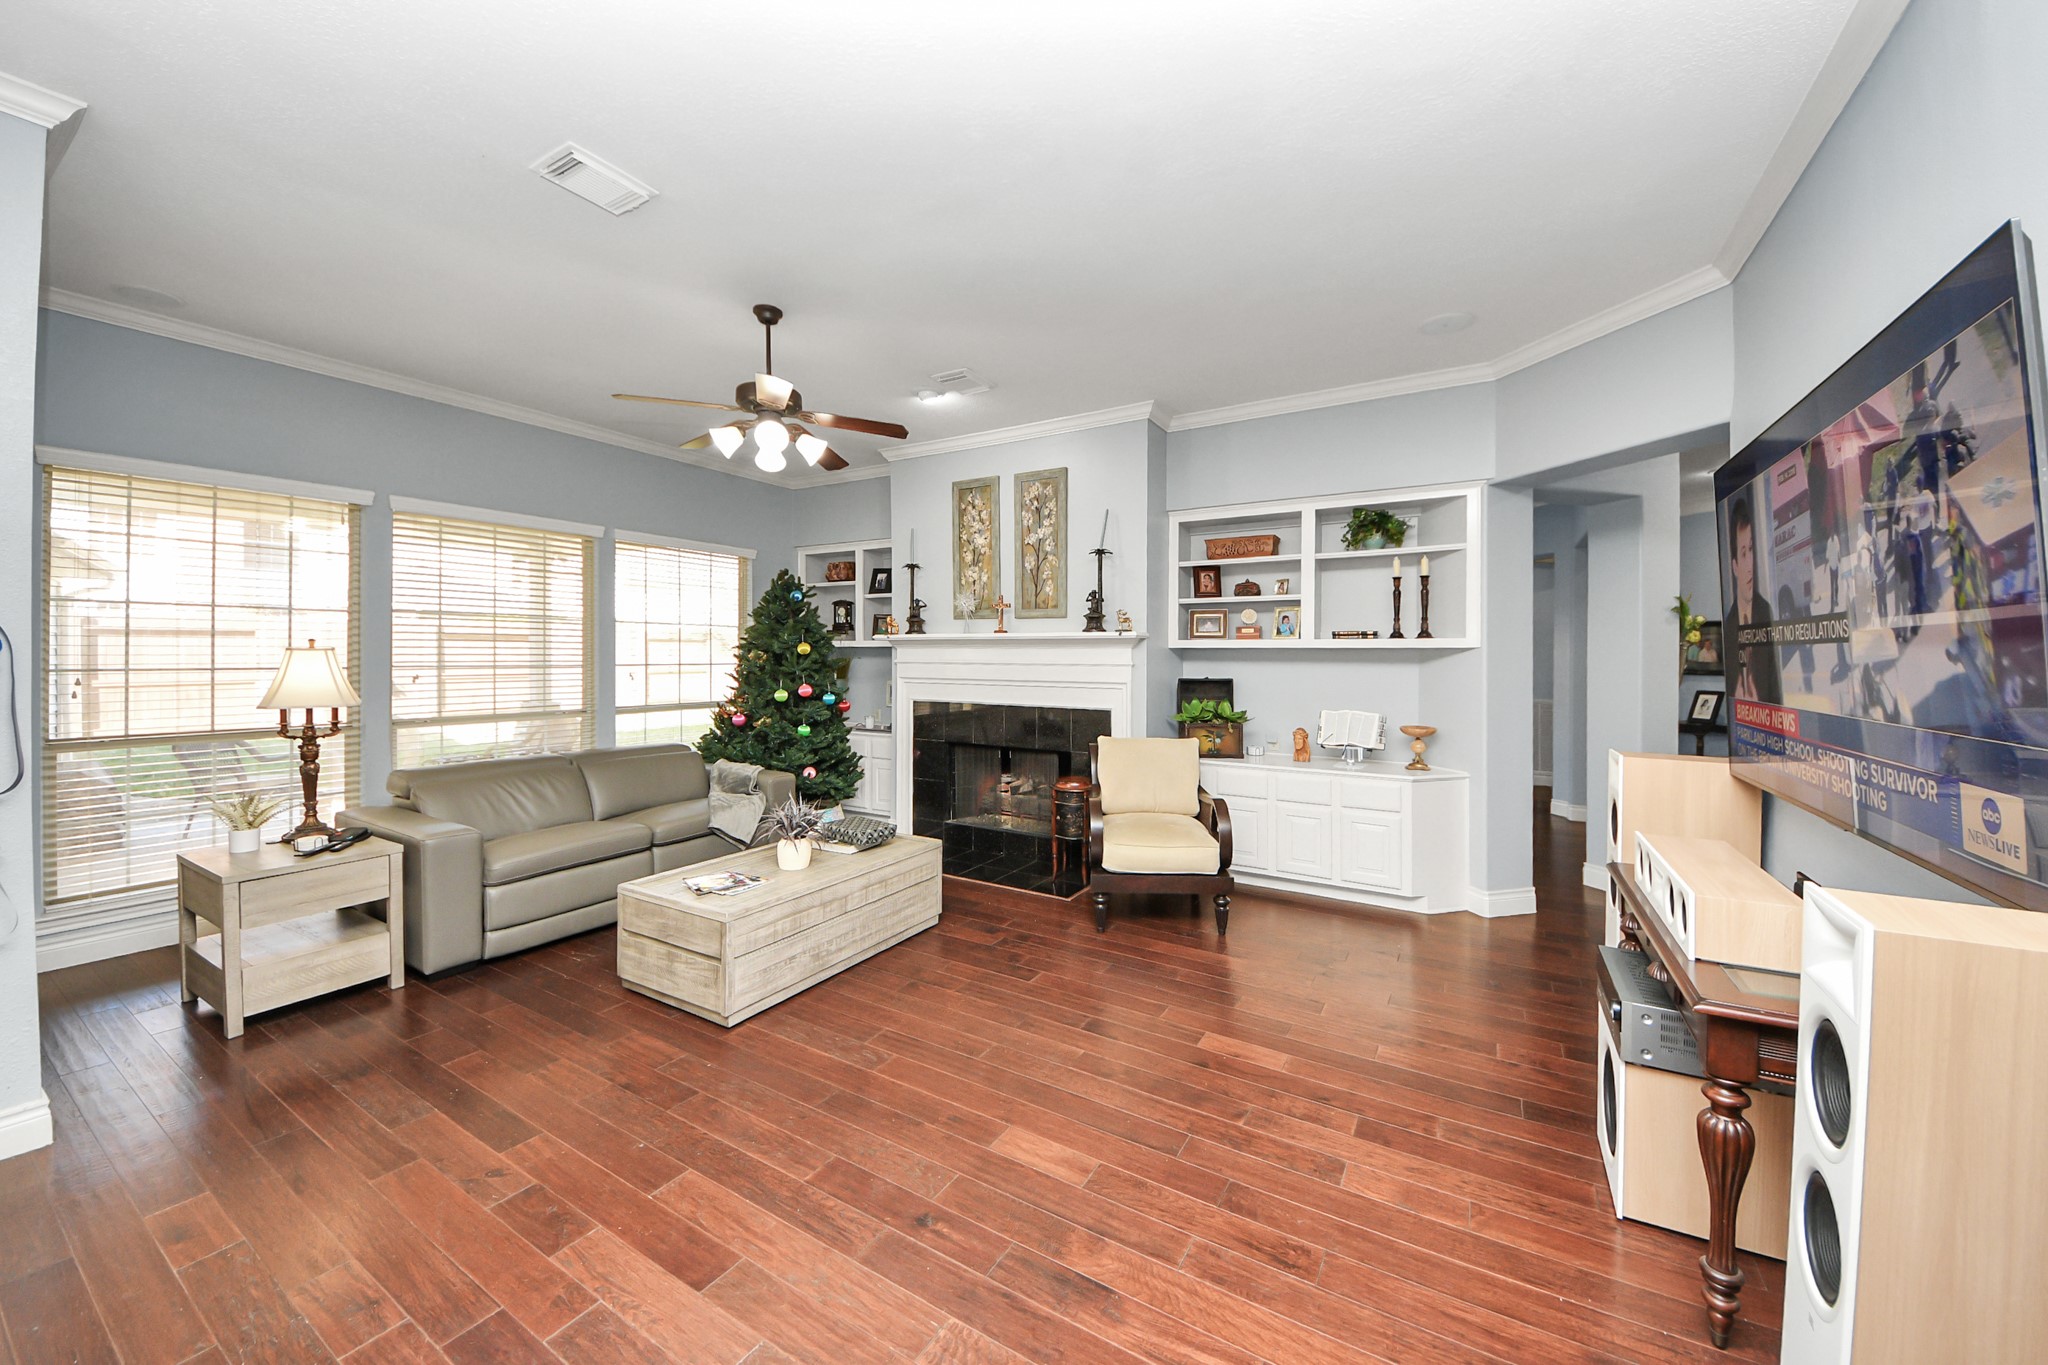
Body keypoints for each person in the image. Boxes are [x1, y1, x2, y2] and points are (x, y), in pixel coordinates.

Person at [1728, 494, 1782, 705]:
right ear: (1734, 566)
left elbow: (1775, 685)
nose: (1750, 564)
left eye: (1751, 549)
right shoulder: (1729, 625)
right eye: (1743, 553)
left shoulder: (1764, 612)